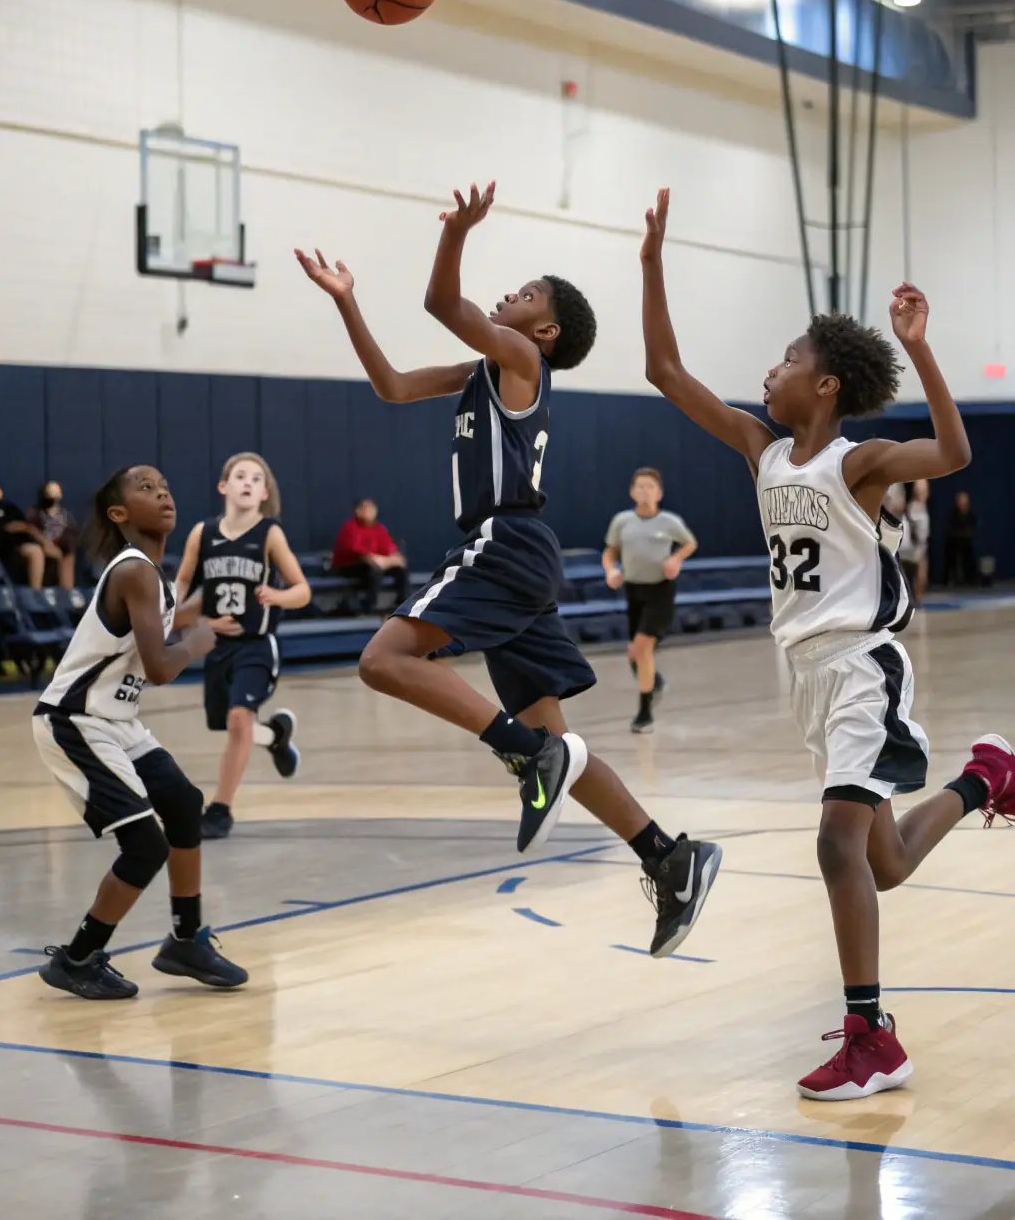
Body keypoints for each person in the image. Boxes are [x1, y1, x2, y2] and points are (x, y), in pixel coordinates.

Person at [640, 185, 1013, 1099]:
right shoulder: (762, 450)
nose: (771, 368)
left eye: (788, 356)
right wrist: (651, 259)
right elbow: (662, 370)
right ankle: (987, 777)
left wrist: (922, 351)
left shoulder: (861, 461)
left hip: (861, 667)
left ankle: (870, 1036)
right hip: (807, 677)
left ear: (828, 382)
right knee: (879, 863)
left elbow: (957, 452)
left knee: (837, 849)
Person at [294, 183, 721, 957]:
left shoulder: (520, 356)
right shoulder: (480, 369)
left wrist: (455, 232)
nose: (508, 295)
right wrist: (346, 303)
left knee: (383, 659)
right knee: (559, 733)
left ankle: (524, 752)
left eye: (524, 293)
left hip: (504, 539)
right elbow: (390, 385)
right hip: (523, 555)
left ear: (544, 328)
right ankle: (667, 854)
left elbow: (438, 298)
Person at [31, 464, 248, 999]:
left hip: (116, 720)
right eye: (146, 488)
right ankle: (77, 958)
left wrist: (201, 608)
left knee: (182, 802)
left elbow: (156, 635)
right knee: (145, 844)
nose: (163, 493)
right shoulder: (133, 572)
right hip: (75, 721)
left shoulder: (153, 576)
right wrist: (198, 642)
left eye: (166, 485)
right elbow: (159, 666)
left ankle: (185, 939)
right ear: (120, 513)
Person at [175, 453, 311, 840]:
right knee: (236, 726)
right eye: (239, 476)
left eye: (256, 478)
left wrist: (277, 597)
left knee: (238, 720)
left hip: (256, 646)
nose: (247, 482)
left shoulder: (269, 533)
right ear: (224, 486)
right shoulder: (202, 533)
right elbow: (182, 583)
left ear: (264, 491)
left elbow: (302, 590)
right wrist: (186, 615)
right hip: (217, 647)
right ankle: (277, 736)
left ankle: (220, 809)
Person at [602, 468, 697, 734]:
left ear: (659, 493)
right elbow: (610, 552)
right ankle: (654, 681)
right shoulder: (622, 521)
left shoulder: (669, 522)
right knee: (635, 653)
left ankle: (644, 713)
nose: (643, 491)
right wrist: (610, 570)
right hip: (634, 591)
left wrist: (676, 559)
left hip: (660, 592)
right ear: (632, 492)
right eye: (639, 486)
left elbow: (689, 543)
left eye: (649, 486)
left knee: (643, 647)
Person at [332, 497, 409, 613]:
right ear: (358, 511)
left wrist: (389, 560)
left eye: (373, 509)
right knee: (373, 569)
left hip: (376, 564)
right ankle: (369, 605)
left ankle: (403, 602)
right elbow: (357, 553)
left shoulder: (379, 529)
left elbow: (392, 552)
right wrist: (379, 560)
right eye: (367, 508)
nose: (371, 512)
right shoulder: (350, 527)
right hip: (349, 566)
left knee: (400, 570)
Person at [0, 480, 60, 588]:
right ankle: (35, 594)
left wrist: (43, 542)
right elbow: (5, 527)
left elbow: (26, 526)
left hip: (16, 546)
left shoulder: (8, 507)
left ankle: (41, 594)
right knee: (36, 550)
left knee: (45, 552)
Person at [27, 481, 79, 590]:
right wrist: (46, 543)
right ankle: (37, 594)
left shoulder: (65, 515)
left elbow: (71, 534)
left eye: (55, 492)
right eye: (49, 492)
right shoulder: (35, 512)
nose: (52, 496)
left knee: (68, 553)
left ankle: (67, 593)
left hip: (60, 548)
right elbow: (30, 529)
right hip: (42, 545)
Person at [898, 480, 930, 604]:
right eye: (921, 490)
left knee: (919, 576)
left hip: (918, 547)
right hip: (911, 548)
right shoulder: (913, 508)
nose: (924, 493)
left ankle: (916, 598)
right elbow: (916, 533)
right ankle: (911, 598)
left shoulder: (922, 507)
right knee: (915, 575)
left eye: (925, 490)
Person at [944, 490, 977, 587]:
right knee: (951, 553)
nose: (962, 503)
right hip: (954, 543)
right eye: (960, 500)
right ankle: (951, 579)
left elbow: (973, 529)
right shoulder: (952, 515)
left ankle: (969, 579)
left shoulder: (971, 515)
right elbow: (949, 530)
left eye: (964, 500)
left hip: (967, 543)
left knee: (969, 554)